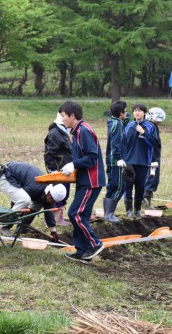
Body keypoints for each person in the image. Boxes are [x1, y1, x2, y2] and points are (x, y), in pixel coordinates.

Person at [59, 101, 106, 264]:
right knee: (82, 215)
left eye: (63, 115)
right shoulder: (76, 132)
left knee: (75, 213)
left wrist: (74, 164)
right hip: (84, 180)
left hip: (91, 181)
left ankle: (95, 244)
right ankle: (82, 251)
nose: (61, 118)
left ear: (72, 116)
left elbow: (92, 157)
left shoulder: (84, 131)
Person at [0, 162, 67, 242]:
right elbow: (17, 201)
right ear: (49, 195)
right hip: (4, 176)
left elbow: (48, 211)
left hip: (14, 178)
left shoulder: (47, 189)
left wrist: (53, 231)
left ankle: (22, 227)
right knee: (24, 200)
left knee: (37, 204)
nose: (53, 203)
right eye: (53, 201)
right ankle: (5, 227)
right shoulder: (36, 187)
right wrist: (17, 212)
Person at [123, 103, 161, 218]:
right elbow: (123, 144)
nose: (137, 112)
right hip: (129, 161)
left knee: (140, 187)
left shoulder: (150, 127)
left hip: (143, 161)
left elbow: (155, 143)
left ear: (144, 113)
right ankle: (129, 210)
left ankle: (137, 210)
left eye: (139, 110)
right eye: (135, 110)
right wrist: (122, 159)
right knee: (128, 186)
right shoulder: (129, 126)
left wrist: (143, 133)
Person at [44, 112, 73, 226]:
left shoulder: (63, 131)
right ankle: (53, 221)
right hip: (58, 169)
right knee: (57, 195)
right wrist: (52, 170)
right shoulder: (55, 133)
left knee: (64, 194)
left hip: (65, 169)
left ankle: (59, 219)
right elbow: (49, 153)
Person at [103, 100, 127, 223]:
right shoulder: (117, 125)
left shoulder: (113, 122)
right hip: (115, 161)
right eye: (125, 111)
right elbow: (116, 143)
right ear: (121, 113)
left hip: (109, 160)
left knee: (111, 185)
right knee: (119, 186)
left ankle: (107, 213)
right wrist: (118, 158)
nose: (127, 113)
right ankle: (109, 214)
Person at [143, 107, 165, 209]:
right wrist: (153, 159)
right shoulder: (151, 127)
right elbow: (152, 143)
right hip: (152, 156)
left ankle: (146, 199)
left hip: (151, 156)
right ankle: (145, 201)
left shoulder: (148, 125)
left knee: (150, 177)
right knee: (152, 178)